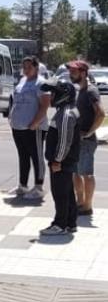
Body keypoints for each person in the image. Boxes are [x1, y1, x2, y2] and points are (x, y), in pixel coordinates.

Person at [40, 79, 81, 236]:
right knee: (67, 191)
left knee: (60, 193)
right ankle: (70, 223)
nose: (51, 97)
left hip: (62, 162)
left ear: (63, 95)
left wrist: (57, 160)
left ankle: (60, 224)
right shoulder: (65, 110)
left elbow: (65, 140)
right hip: (64, 161)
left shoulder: (66, 114)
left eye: (54, 93)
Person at [7, 56, 50, 199]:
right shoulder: (22, 81)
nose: (26, 70)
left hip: (33, 128)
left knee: (36, 157)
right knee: (23, 156)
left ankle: (38, 187)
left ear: (36, 68)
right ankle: (23, 186)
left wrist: (35, 123)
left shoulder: (41, 83)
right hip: (17, 127)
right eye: (24, 67)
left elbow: (44, 106)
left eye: (29, 67)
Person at [68, 60, 105, 216]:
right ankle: (80, 203)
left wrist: (89, 133)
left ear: (83, 72)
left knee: (86, 173)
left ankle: (88, 206)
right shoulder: (80, 91)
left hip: (86, 141)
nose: (71, 74)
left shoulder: (91, 91)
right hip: (76, 139)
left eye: (74, 71)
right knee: (76, 173)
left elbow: (101, 113)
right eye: (70, 71)